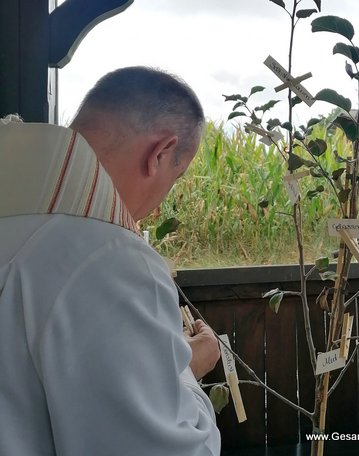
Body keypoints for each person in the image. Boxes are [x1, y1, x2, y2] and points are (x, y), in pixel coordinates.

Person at [0, 66, 221, 455]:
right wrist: (186, 370)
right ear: (160, 154)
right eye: (177, 175)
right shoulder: (113, 260)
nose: (160, 204)